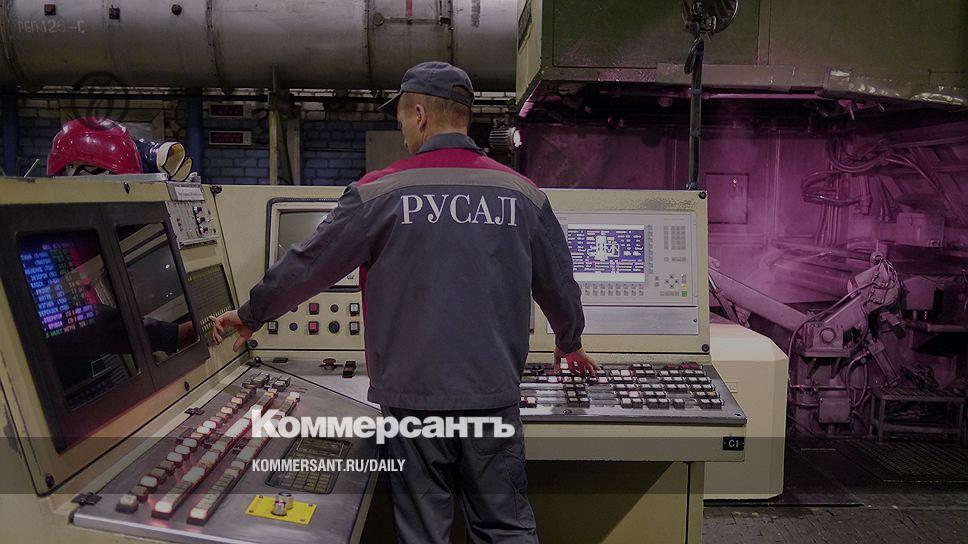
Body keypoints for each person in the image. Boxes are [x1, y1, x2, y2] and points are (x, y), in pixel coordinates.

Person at [211, 61, 597, 543]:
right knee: (504, 529)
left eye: (401, 123)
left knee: (423, 532)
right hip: (492, 401)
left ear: (420, 115)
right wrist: (569, 340)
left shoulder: (379, 191)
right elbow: (558, 280)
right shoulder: (522, 194)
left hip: (412, 407)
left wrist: (253, 314)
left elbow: (310, 263)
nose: (404, 134)